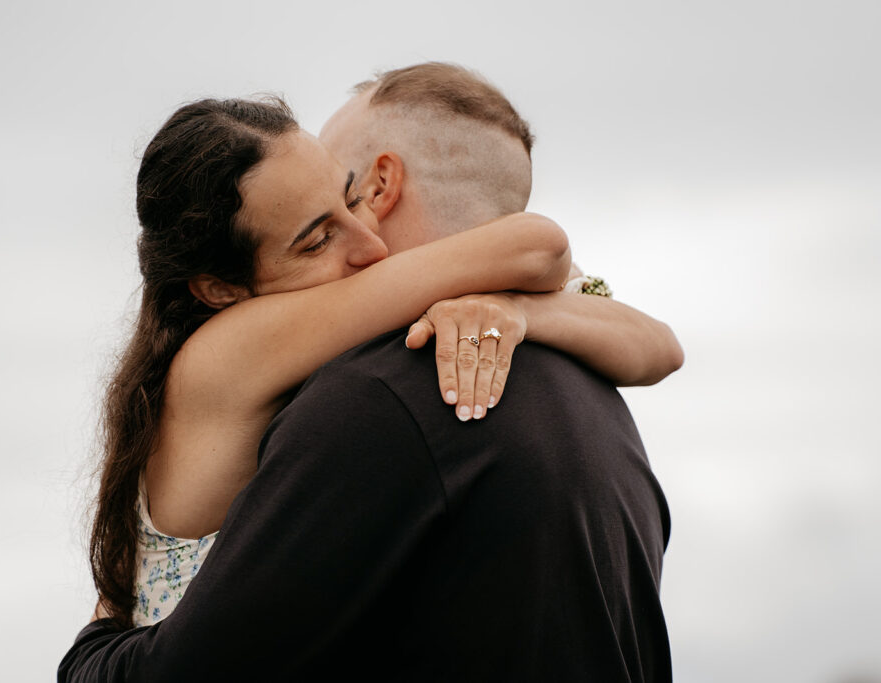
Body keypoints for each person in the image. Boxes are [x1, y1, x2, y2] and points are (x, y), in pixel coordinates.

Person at [61, 64, 677, 681]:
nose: (372, 245)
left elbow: (659, 346)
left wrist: (518, 313)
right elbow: (538, 246)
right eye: (315, 240)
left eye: (352, 197)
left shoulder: (296, 350)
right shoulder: (233, 349)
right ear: (219, 288)